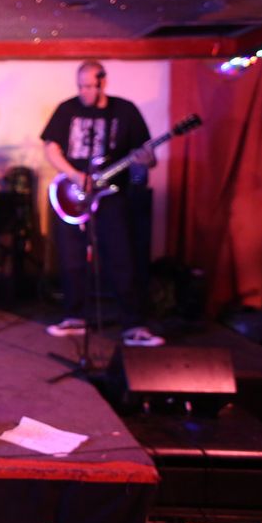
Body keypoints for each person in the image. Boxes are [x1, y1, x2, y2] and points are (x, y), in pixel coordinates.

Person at [41, 60, 164, 347]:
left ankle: (133, 324)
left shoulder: (125, 111)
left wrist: (146, 160)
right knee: (71, 257)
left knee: (121, 257)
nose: (84, 92)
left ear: (102, 83)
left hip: (111, 195)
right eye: (80, 86)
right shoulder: (67, 109)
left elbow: (145, 155)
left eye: (89, 86)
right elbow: (51, 148)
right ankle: (74, 317)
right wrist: (75, 175)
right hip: (73, 193)